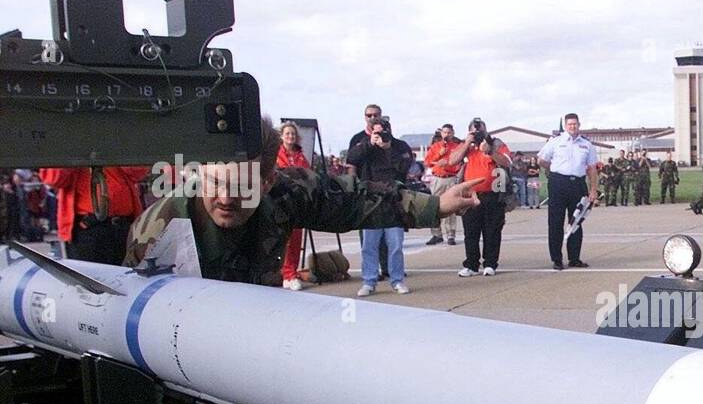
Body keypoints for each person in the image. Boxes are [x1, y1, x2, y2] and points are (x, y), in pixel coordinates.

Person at [124, 116, 481, 283]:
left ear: (267, 181)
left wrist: (434, 206)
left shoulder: (286, 191)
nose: (225, 199)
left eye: (242, 188)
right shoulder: (160, 228)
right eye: (214, 183)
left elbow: (353, 201)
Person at [346, 104, 416, 294]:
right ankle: (369, 281)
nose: (372, 118)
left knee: (395, 244)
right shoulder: (361, 140)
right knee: (369, 245)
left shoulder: (398, 145)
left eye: (376, 116)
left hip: (394, 200)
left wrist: (388, 148)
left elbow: (405, 166)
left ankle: (397, 279)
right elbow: (351, 159)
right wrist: (370, 143)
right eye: (369, 116)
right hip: (370, 200)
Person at [38, 164, 149, 264]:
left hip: (123, 226)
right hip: (86, 230)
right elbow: (53, 179)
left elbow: (139, 172)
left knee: (127, 278)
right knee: (90, 279)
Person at [446, 118, 512, 276]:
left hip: (494, 194)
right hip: (470, 195)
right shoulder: (465, 146)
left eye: (480, 130)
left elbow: (506, 162)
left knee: (492, 231)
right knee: (471, 231)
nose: (477, 133)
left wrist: (489, 150)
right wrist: (467, 142)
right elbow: (452, 161)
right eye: (474, 131)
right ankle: (471, 264)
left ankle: (490, 263)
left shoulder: (496, 144)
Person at [537, 112, 599, 270]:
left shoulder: (587, 145)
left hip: (578, 184)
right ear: (565, 126)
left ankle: (574, 258)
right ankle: (557, 259)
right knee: (555, 222)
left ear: (579, 125)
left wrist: (593, 189)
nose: (572, 126)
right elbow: (541, 159)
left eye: (575, 124)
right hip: (558, 184)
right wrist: (554, 170)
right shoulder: (556, 141)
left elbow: (592, 169)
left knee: (576, 221)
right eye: (570, 124)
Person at [276, 122, 312, 289]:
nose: (290, 136)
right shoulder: (276, 154)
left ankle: (292, 272)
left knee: (296, 239)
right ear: (282, 136)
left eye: (292, 134)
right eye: (287, 133)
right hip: (280, 202)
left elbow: (308, 176)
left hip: (297, 202)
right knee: (283, 239)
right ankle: (285, 273)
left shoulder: (301, 156)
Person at [423, 123, 463, 246]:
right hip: (437, 178)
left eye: (449, 132)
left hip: (450, 178)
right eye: (444, 132)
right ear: (441, 133)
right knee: (434, 206)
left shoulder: (457, 147)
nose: (447, 134)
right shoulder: (435, 147)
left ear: (453, 134)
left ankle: (451, 234)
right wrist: (439, 154)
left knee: (450, 206)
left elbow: (461, 163)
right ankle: (436, 234)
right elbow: (427, 162)